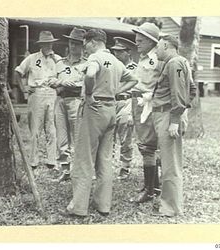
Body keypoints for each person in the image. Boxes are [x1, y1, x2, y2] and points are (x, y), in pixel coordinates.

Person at [64, 29, 138, 217]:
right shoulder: (115, 60)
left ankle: (79, 207)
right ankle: (103, 205)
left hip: (94, 109)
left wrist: (89, 94)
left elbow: (90, 75)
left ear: (92, 42)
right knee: (105, 160)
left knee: (84, 159)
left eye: (85, 44)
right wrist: (115, 91)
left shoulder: (95, 58)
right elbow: (133, 79)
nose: (84, 49)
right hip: (110, 109)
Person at [152, 34, 196, 217]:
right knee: (169, 160)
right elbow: (191, 90)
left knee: (170, 163)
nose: (156, 51)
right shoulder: (181, 62)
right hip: (168, 114)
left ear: (168, 46)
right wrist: (183, 110)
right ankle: (169, 203)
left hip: (167, 115)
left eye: (159, 47)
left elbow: (178, 93)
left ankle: (170, 208)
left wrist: (175, 120)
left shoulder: (174, 64)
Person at [15, 31, 61, 170]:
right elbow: (18, 72)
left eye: (50, 43)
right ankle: (33, 160)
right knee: (35, 129)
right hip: (37, 94)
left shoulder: (58, 59)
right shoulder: (32, 58)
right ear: (40, 44)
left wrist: (58, 89)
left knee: (52, 128)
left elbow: (65, 75)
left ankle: (51, 160)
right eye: (45, 43)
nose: (48, 45)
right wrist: (24, 88)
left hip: (52, 94)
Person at [131, 22, 163, 203]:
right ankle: (153, 185)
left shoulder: (156, 58)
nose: (137, 41)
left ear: (151, 41)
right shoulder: (143, 58)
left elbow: (161, 83)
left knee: (148, 146)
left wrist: (151, 96)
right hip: (138, 102)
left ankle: (150, 191)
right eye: (136, 38)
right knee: (143, 144)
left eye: (141, 39)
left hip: (148, 104)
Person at [53, 27, 87, 182]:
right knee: (62, 136)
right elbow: (50, 80)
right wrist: (62, 81)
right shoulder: (60, 63)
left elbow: (89, 83)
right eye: (71, 43)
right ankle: (65, 170)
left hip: (76, 101)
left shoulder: (86, 64)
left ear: (83, 46)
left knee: (78, 136)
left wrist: (75, 84)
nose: (73, 46)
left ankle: (79, 170)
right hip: (60, 100)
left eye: (77, 44)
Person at [111, 37, 137, 180]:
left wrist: (133, 112)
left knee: (125, 136)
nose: (117, 55)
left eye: (120, 52)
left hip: (127, 102)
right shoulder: (113, 67)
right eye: (115, 52)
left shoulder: (135, 68)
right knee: (108, 136)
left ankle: (125, 167)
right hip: (112, 103)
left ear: (128, 52)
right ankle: (106, 165)